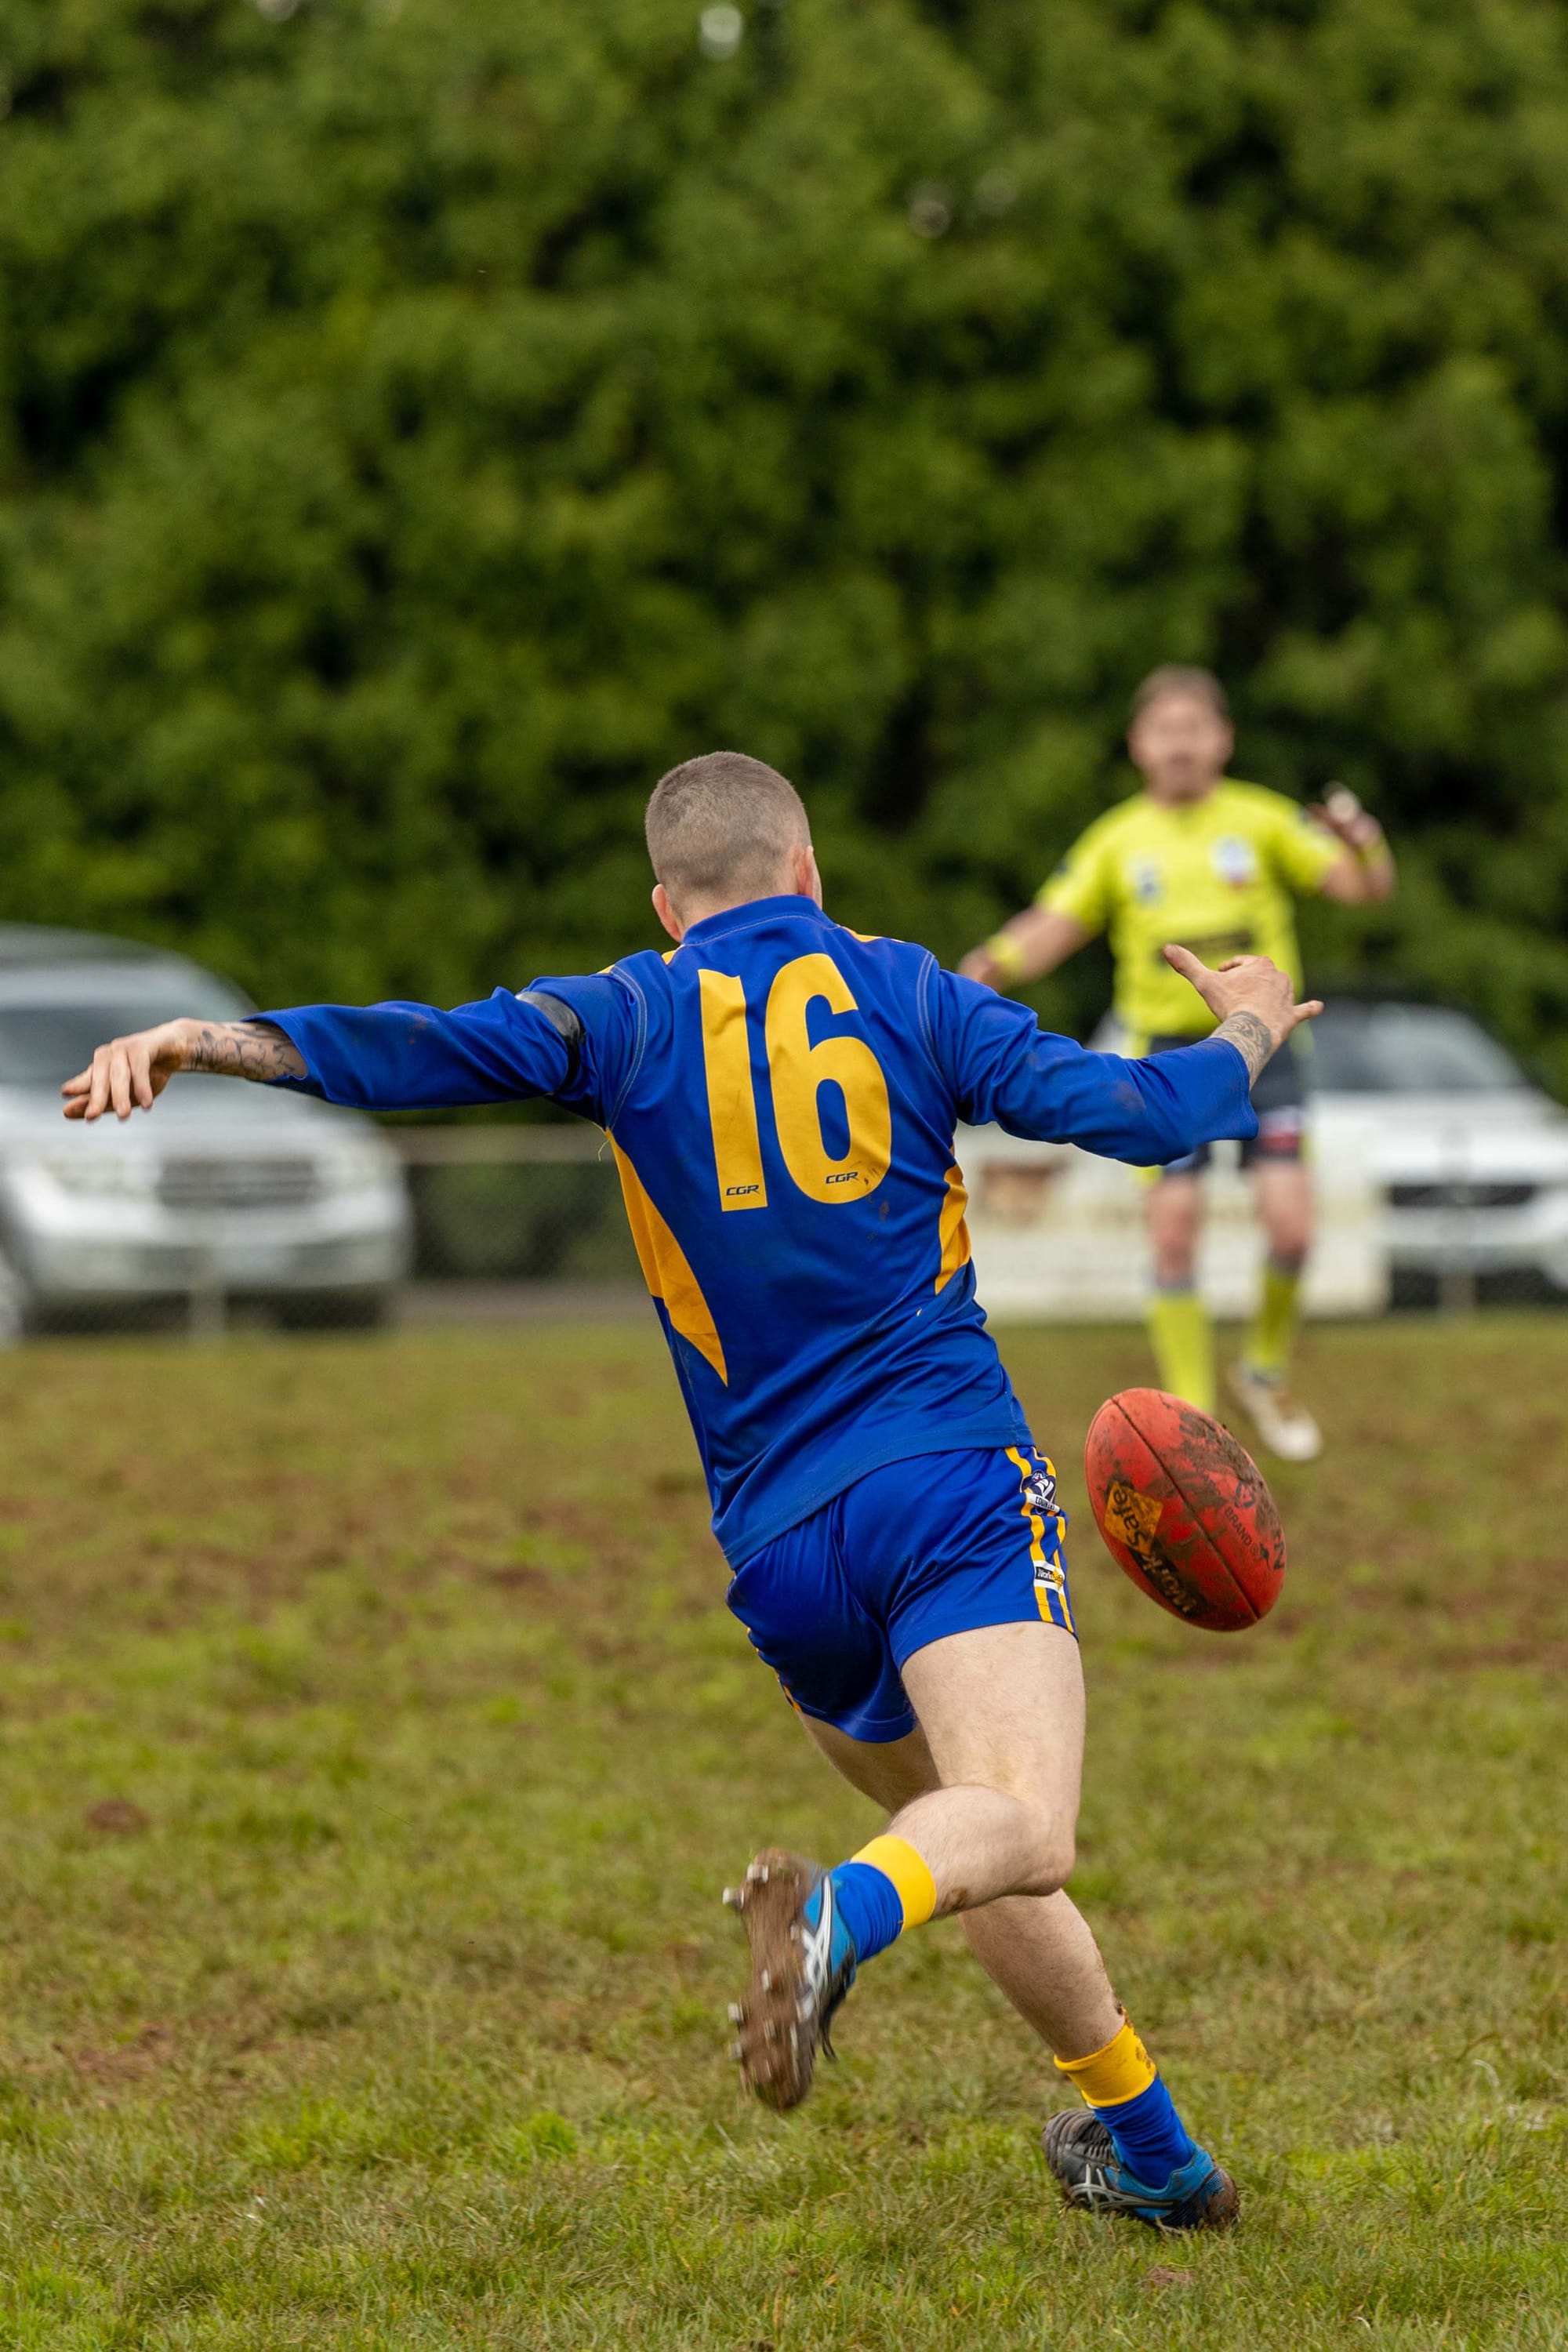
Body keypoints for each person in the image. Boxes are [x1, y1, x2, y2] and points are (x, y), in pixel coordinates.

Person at [64, 751, 1319, 2233]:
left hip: (781, 1551)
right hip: (944, 1482)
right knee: (1020, 1829)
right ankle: (835, 1921)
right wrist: (1247, 1022)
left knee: (959, 1839)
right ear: (810, 872)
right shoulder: (910, 990)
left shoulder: (620, 1012)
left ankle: (1154, 2154)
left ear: (667, 907)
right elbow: (1147, 1114)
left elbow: (413, 1049)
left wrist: (208, 1040)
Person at [960, 667, 1396, 1462]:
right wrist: (986, 966)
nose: (1180, 744)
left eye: (1194, 727)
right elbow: (1054, 923)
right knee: (1172, 1234)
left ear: (1223, 739)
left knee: (1292, 1229)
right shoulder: (1117, 839)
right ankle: (1196, 1418)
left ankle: (1262, 1371)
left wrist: (1364, 842)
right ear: (1137, 744)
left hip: (1265, 1047)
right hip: (1167, 1056)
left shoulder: (1261, 819)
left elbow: (1362, 889)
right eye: (1164, 729)